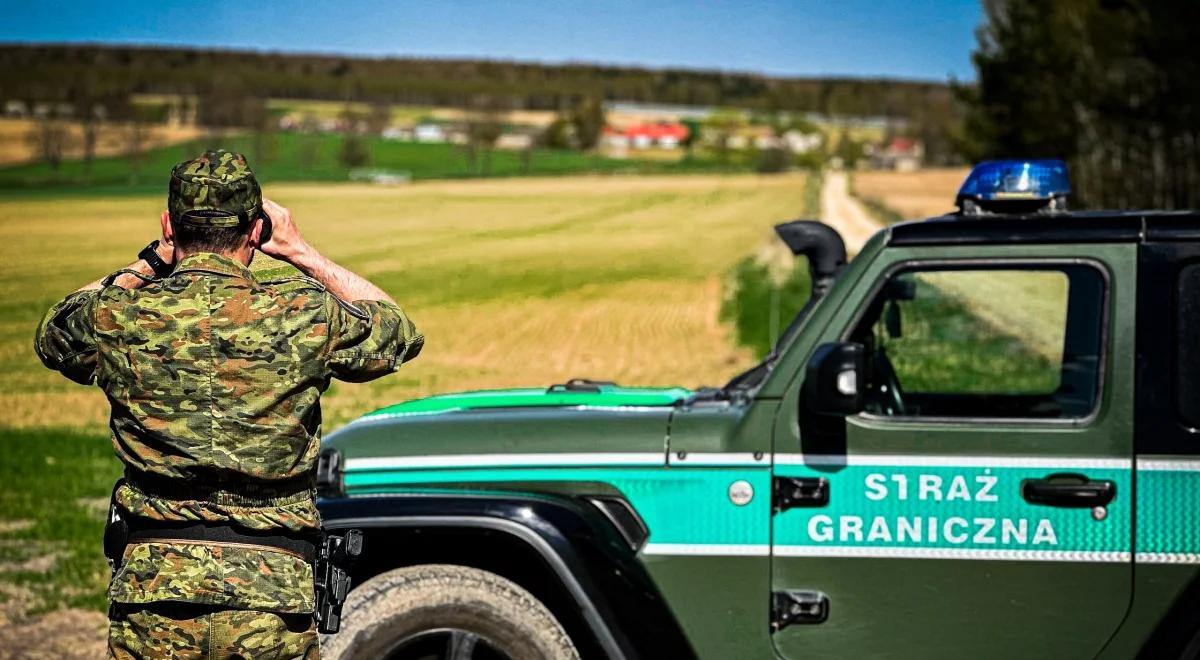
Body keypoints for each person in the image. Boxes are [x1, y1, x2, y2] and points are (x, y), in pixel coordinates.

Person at [34, 150, 423, 659]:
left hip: (155, 593)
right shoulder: (303, 313)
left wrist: (148, 263)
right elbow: (398, 333)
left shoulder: (119, 314)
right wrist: (301, 251)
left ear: (169, 225)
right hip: (272, 595)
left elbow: (55, 333)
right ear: (257, 230)